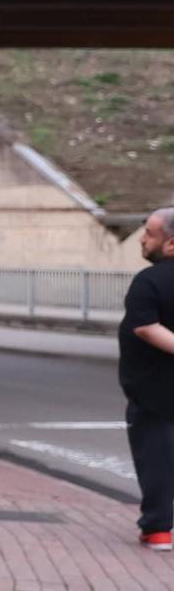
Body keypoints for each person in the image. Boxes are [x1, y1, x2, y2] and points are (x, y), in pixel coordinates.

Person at [121, 206, 174, 551]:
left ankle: (157, 529)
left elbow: (145, 327)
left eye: (150, 233)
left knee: (155, 456)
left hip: (154, 393)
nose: (142, 238)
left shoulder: (150, 280)